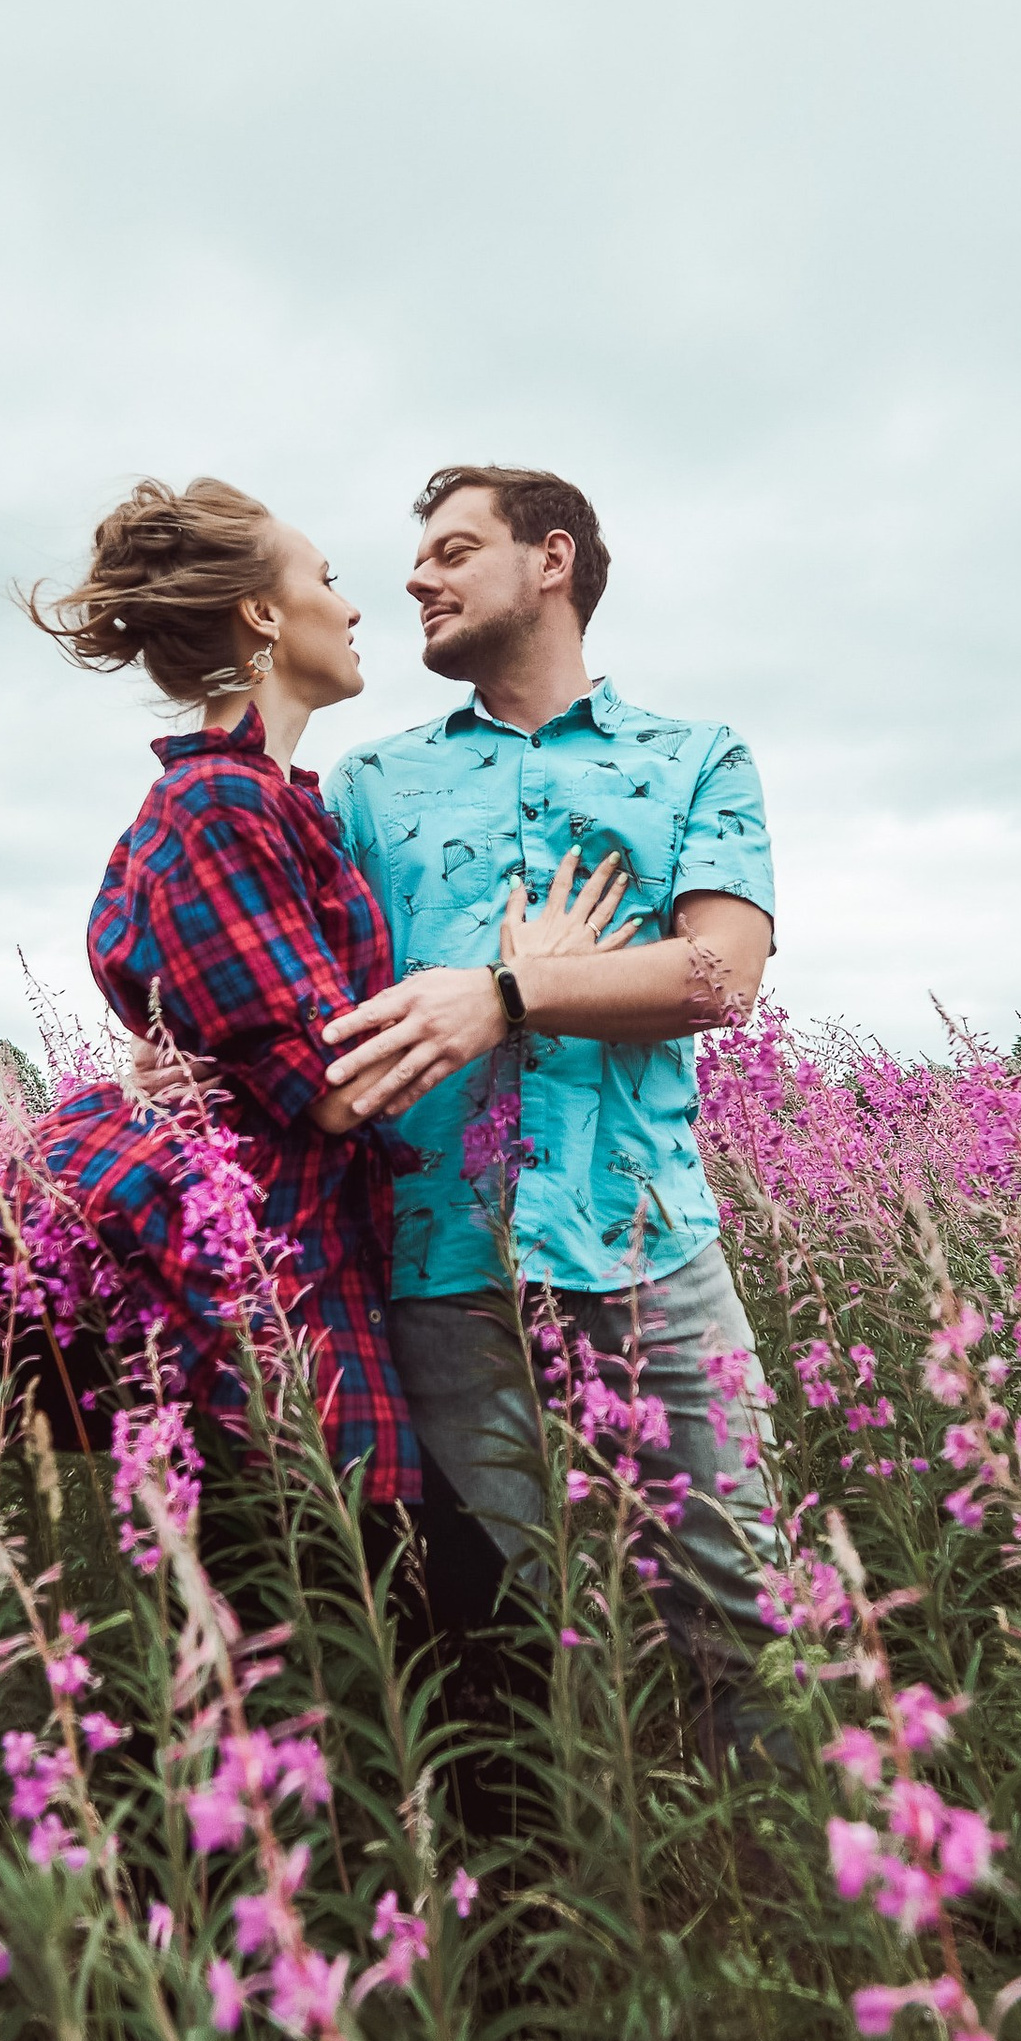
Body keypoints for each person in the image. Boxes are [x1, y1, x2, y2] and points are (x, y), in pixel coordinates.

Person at [0, 477, 628, 1575]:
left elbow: (234, 1031)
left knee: (347, 1655)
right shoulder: (218, 807)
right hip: (258, 1315)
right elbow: (331, 1089)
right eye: (327, 580)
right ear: (261, 616)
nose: (351, 606)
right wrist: (516, 982)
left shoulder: (280, 801)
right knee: (414, 1654)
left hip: (298, 1289)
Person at [316, 465, 782, 1748]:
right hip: (442, 1264)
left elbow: (718, 973)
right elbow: (316, 1008)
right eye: (420, 556)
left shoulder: (695, 758)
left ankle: (783, 1911)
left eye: (456, 549)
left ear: (553, 559)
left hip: (649, 1246)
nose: (419, 575)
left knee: (739, 1609)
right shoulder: (366, 787)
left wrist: (508, 994)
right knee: (514, 1641)